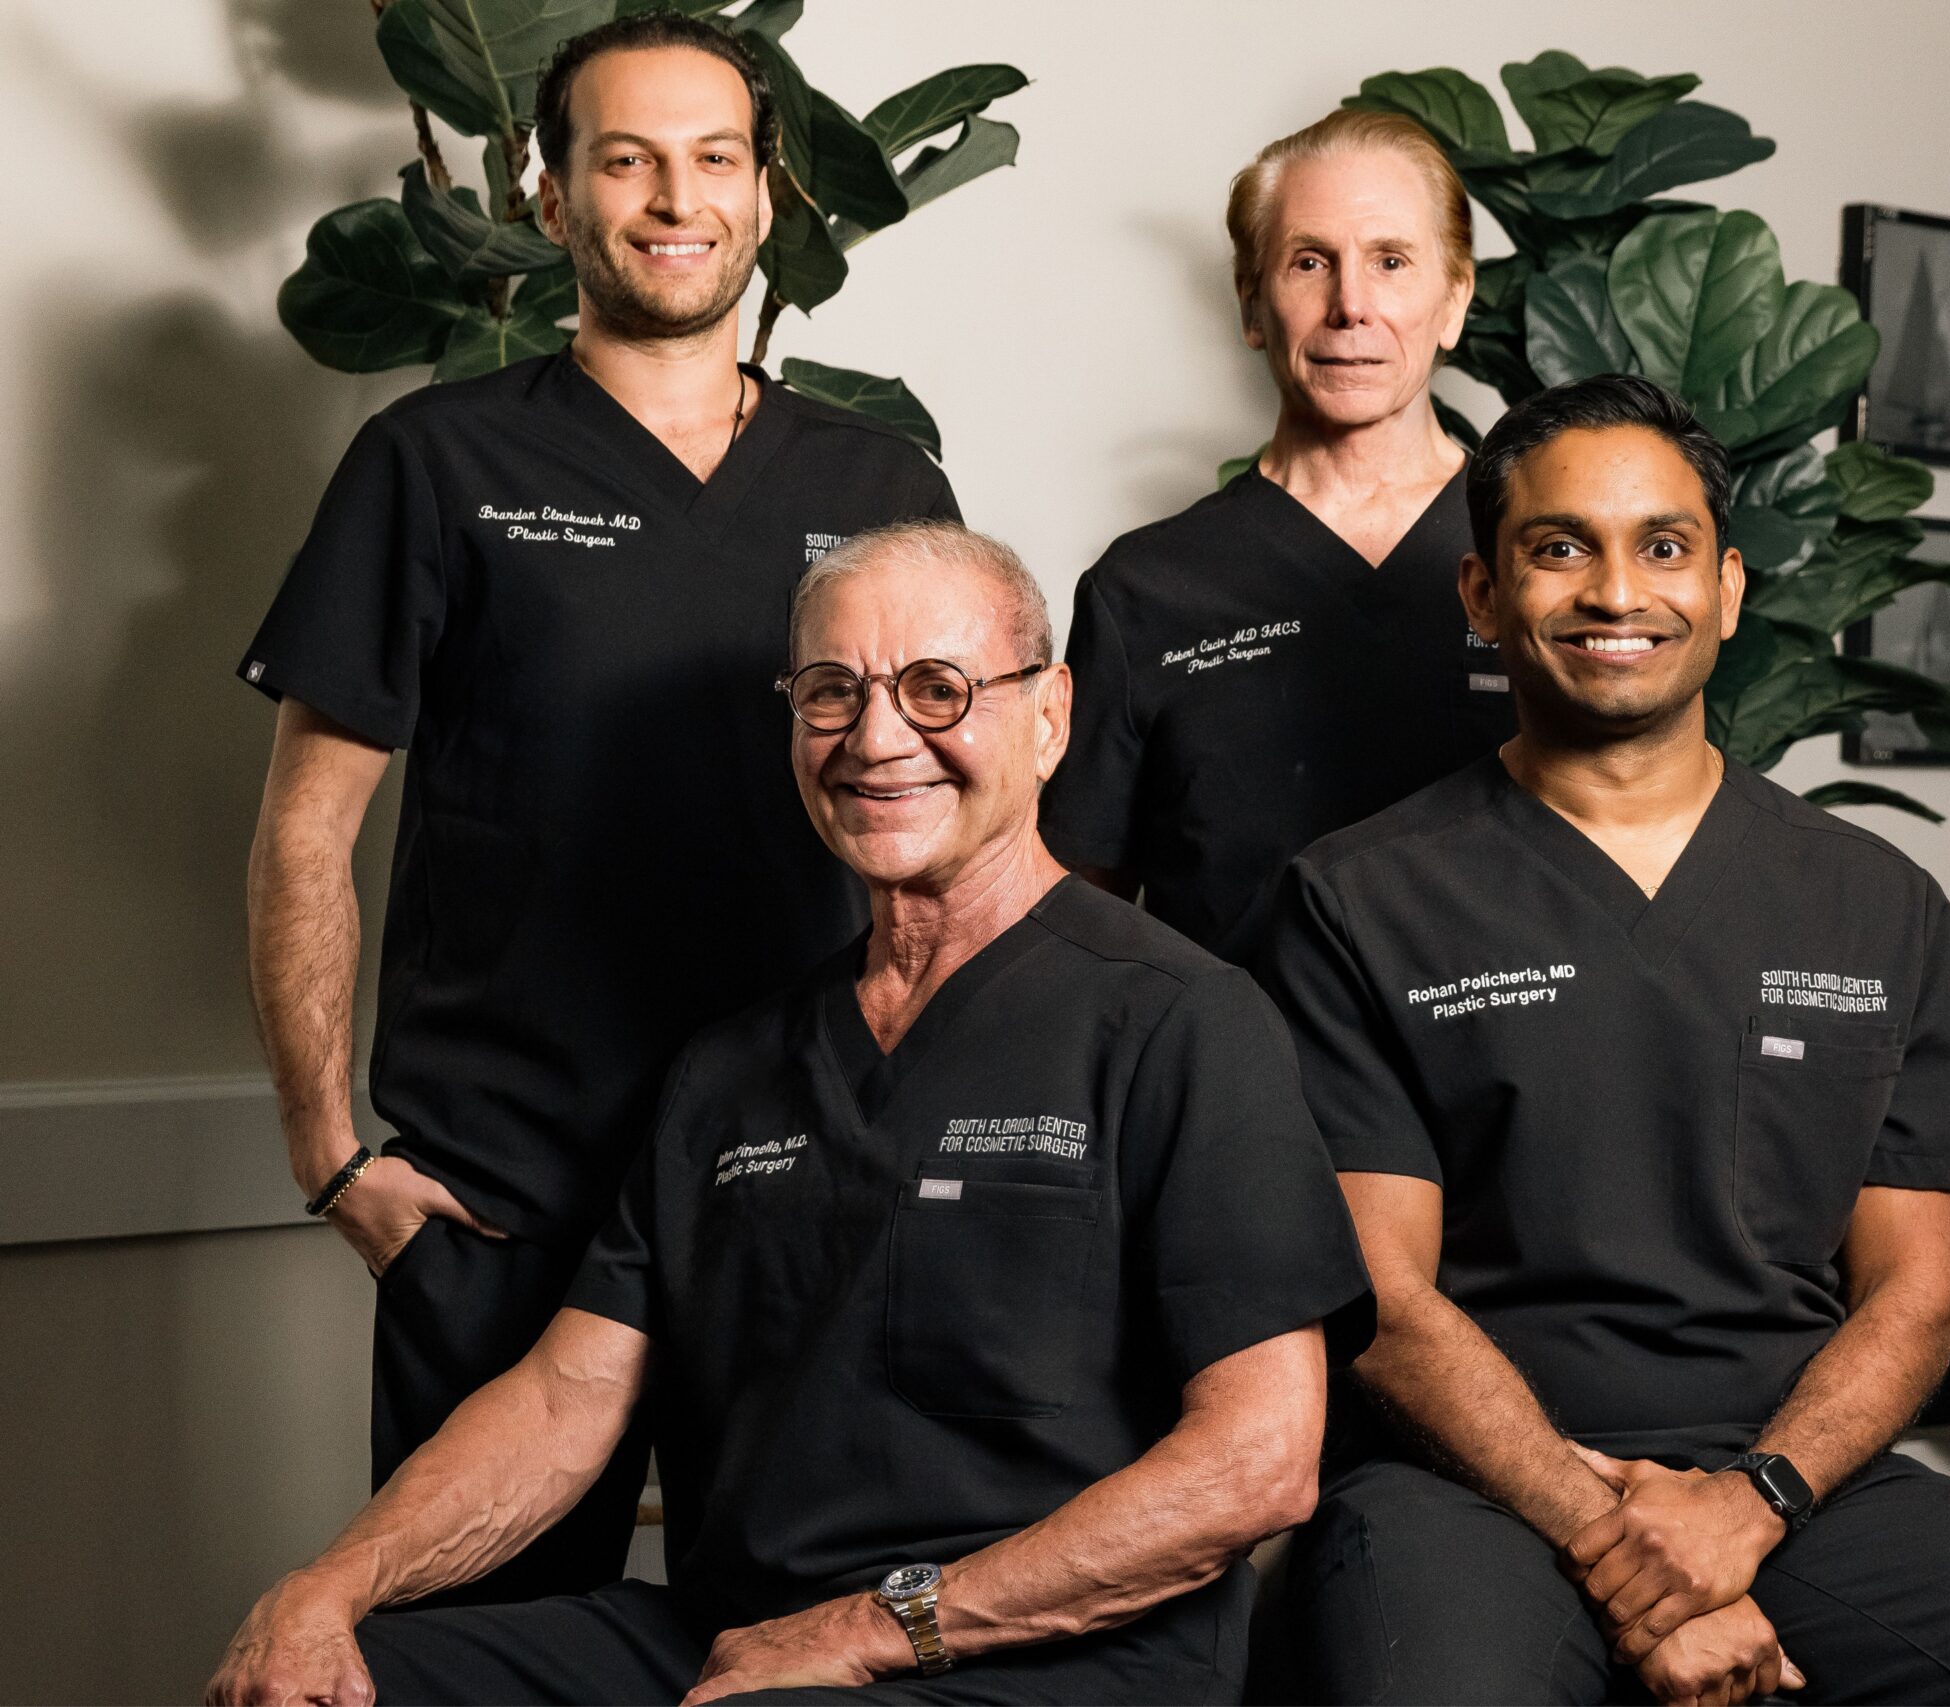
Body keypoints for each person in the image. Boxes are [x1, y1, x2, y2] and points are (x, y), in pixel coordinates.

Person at [207, 522, 1373, 1706]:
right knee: (320, 1690)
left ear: (1049, 715)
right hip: (734, 1640)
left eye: (937, 689)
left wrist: (876, 1629)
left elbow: (1258, 1462)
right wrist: (333, 1586)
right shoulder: (729, 1070)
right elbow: (566, 1398)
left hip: (1041, 1661)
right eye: (831, 692)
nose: (876, 739)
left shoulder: (1183, 1021)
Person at [1263, 375, 1950, 1707]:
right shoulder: (1359, 897)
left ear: (1726, 587)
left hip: (1794, 1479)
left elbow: (1913, 1288)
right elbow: (1385, 1304)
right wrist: (1622, 1542)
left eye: (1663, 546)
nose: (1616, 591)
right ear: (1482, 593)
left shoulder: (1875, 901)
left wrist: (1751, 1501)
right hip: (1466, 1486)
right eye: (1559, 546)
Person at [238, 12, 958, 1603]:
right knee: (478, 1656)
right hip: (502, 1195)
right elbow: (306, 828)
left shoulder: (880, 483)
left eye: (716, 159)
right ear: (551, 197)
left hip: (806, 1174)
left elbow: (951, 831)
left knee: (791, 1646)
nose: (676, 199)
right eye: (626, 160)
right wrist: (329, 1154)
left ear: (768, 195)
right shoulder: (433, 463)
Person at [1039, 108, 1513, 966]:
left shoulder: (1540, 559)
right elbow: (1078, 926)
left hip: (1501, 1050)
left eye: (1391, 261)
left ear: (1454, 302)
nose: (1351, 306)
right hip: (1236, 1053)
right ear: (1252, 304)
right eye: (1309, 262)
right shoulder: (1146, 590)